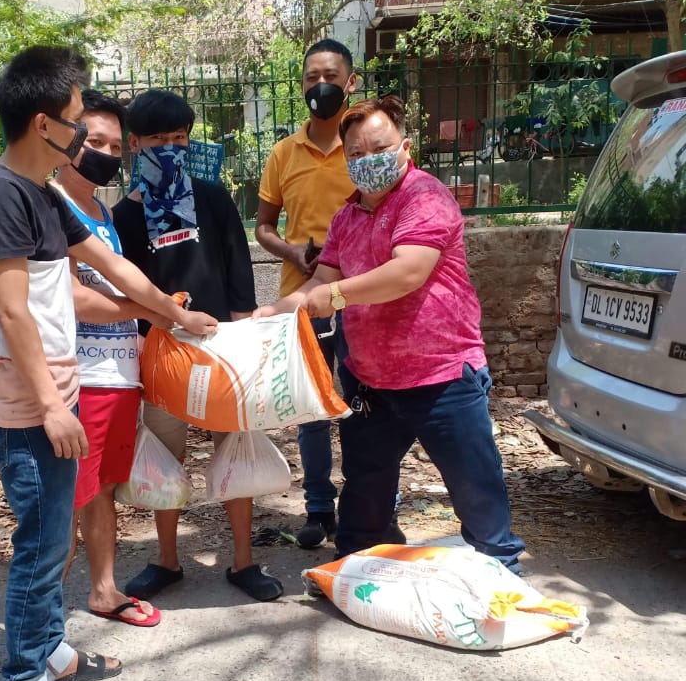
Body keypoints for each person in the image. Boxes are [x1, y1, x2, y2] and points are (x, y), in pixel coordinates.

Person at [0, 49, 216, 681]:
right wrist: (50, 406)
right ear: (44, 123)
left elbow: (115, 267)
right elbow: (12, 312)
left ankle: (53, 652)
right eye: (77, 120)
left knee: (52, 539)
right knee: (42, 545)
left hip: (57, 390)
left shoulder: (45, 195)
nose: (84, 135)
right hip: (24, 403)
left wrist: (173, 314)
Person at [256, 94, 525, 574]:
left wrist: (336, 295)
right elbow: (320, 282)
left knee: (473, 484)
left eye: (379, 149)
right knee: (365, 486)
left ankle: (502, 571)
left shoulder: (424, 197)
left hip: (441, 374)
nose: (368, 161)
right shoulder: (346, 217)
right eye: (356, 154)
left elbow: (407, 272)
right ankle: (351, 569)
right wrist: (271, 313)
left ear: (404, 147)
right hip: (371, 380)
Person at [112, 88, 285, 603]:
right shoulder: (123, 217)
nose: (169, 147)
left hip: (223, 349)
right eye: (156, 138)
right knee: (165, 459)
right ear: (134, 143)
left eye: (178, 136)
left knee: (236, 450)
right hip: (161, 354)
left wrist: (245, 340)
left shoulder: (212, 198)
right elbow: (128, 293)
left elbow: (238, 268)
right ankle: (166, 560)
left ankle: (243, 561)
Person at [54, 89, 164, 628]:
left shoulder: (100, 210)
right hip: (83, 379)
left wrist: (141, 331)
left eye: (116, 146)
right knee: (64, 502)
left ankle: (103, 590)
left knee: (99, 492)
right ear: (65, 137)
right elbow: (72, 297)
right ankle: (43, 625)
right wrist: (150, 309)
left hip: (118, 374)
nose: (106, 154)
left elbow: (111, 286)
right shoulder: (52, 204)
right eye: (94, 141)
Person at [255, 39, 358, 549]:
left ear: (351, 83)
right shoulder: (283, 153)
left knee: (363, 405)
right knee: (311, 409)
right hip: (303, 299)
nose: (321, 86)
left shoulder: (366, 148)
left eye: (331, 77)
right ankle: (318, 509)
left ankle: (366, 505)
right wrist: (293, 252)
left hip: (362, 299)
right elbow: (263, 227)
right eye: (312, 77)